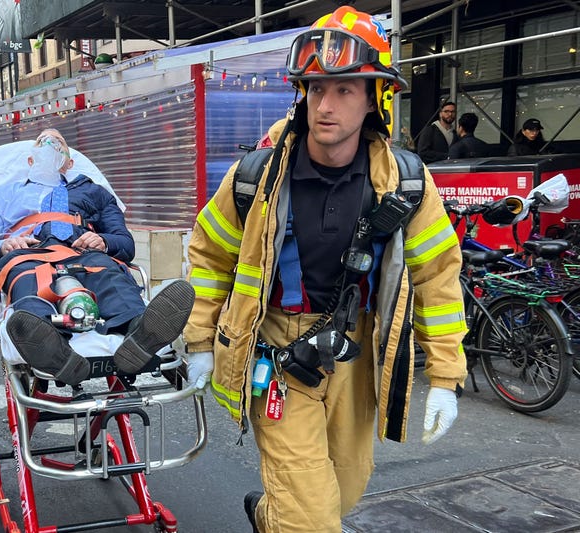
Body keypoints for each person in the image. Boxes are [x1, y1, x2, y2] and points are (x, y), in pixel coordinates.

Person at [181, 6, 467, 532]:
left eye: (344, 90)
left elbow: (438, 280)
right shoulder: (257, 177)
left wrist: (446, 378)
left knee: (343, 488)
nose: (325, 105)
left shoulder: (406, 183)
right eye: (315, 90)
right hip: (278, 354)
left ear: (374, 99)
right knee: (312, 519)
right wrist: (200, 341)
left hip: (356, 353)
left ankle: (270, 517)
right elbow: (209, 257)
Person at [0, 129, 194, 384]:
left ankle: (140, 334)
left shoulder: (94, 192)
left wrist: (103, 241)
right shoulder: (3, 195)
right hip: (28, 256)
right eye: (42, 143)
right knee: (28, 292)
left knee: (110, 276)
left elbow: (125, 244)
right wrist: (4, 246)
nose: (50, 146)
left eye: (59, 144)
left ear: (70, 162)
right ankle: (55, 352)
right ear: (30, 161)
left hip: (85, 254)